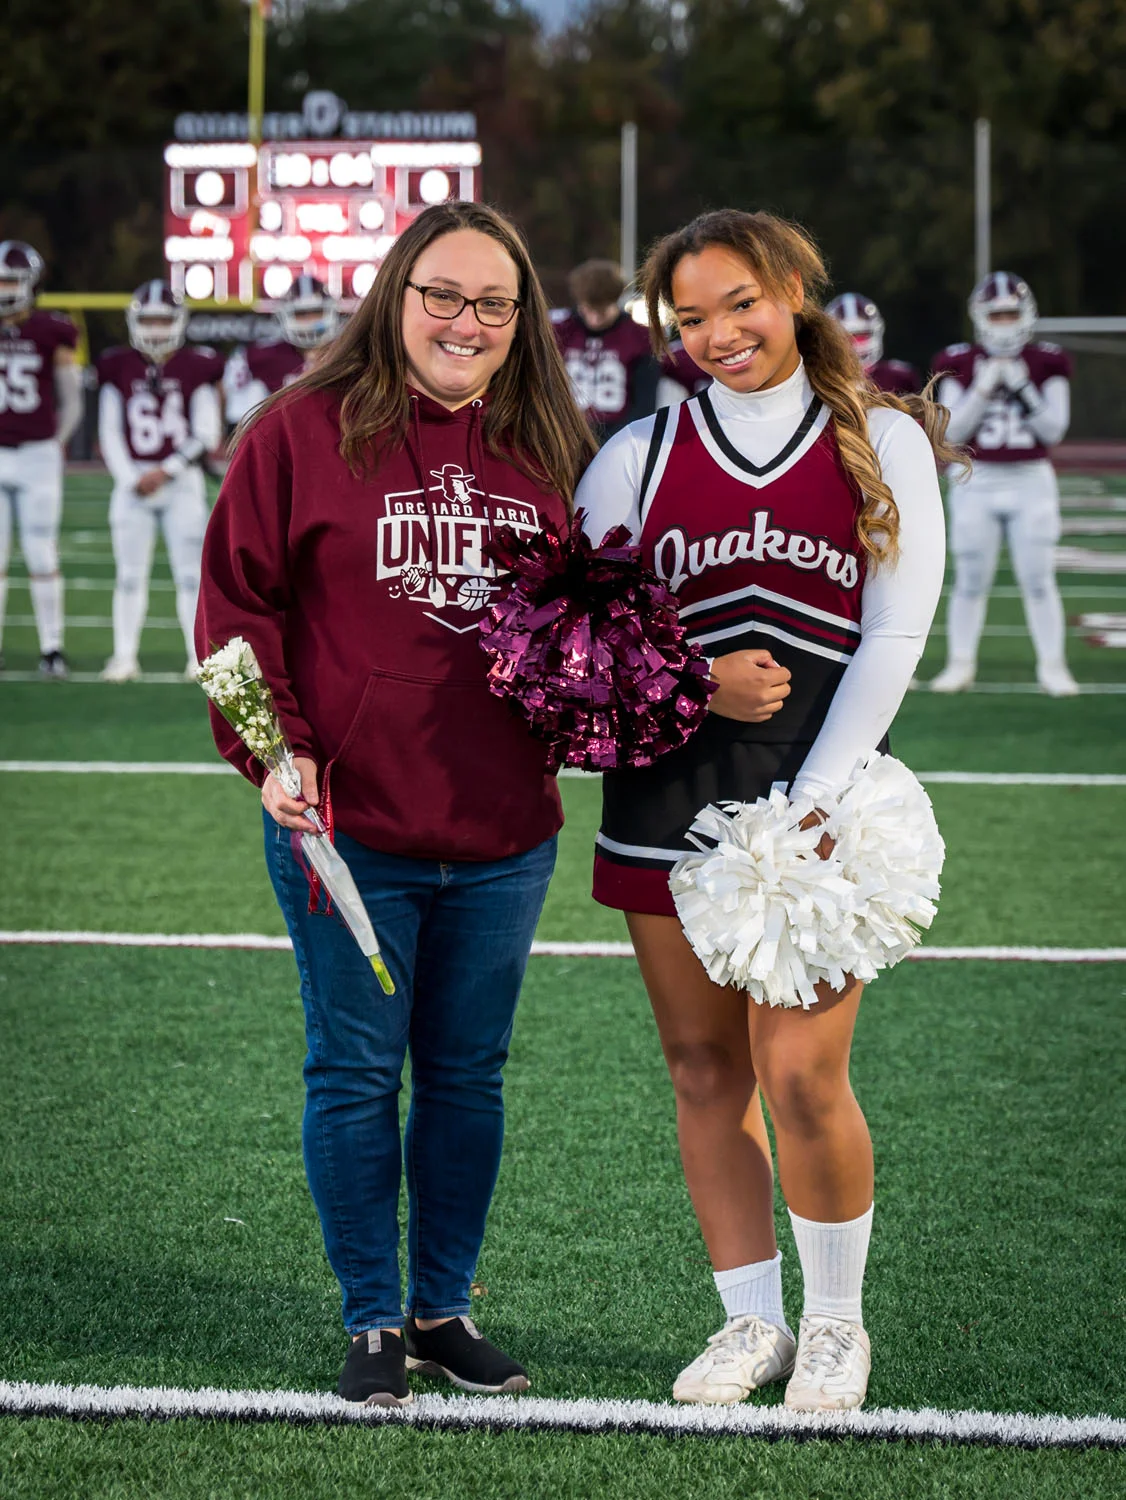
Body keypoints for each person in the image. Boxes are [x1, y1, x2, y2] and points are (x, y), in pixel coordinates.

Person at [197, 201, 596, 1407]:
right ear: (395, 295)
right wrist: (275, 751)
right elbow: (230, 617)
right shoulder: (298, 431)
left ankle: (443, 1307)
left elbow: (599, 621)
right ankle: (372, 1318)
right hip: (347, 831)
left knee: (469, 1077)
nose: (464, 322)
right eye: (442, 294)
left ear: (518, 318)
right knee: (356, 1077)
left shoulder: (554, 446)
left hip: (501, 833)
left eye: (491, 302)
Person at [575, 209, 953, 1411]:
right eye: (688, 319)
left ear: (791, 287)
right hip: (665, 797)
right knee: (700, 1071)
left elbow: (893, 631)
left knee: (799, 1073)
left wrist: (817, 799)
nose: (718, 334)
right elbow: (584, 635)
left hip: (817, 795)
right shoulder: (638, 449)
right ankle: (751, 1325)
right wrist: (696, 684)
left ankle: (837, 1323)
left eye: (739, 303)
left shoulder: (876, 438)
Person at [929, 271, 1076, 696]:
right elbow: (952, 434)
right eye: (998, 315)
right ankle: (960, 664)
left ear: (1027, 316)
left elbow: (1053, 431)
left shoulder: (1047, 360)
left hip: (1032, 479)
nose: (1005, 323)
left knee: (1039, 577)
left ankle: (1053, 665)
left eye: (1012, 314)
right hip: (977, 477)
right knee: (971, 578)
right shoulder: (957, 360)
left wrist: (1022, 388)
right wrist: (985, 386)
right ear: (980, 317)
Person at [96, 280, 223, 681]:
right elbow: (109, 431)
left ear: (178, 322)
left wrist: (165, 470)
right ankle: (124, 657)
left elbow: (207, 432)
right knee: (129, 575)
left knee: (190, 575)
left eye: (161, 320)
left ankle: (196, 658)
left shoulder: (196, 366)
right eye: (147, 321)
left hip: (180, 484)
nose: (154, 329)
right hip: (132, 482)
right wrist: (131, 476)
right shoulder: (118, 365)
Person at [0, 239, 83, 678]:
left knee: (41, 553)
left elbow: (71, 401)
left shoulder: (52, 330)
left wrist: (55, 442)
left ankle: (51, 646)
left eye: (9, 280)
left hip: (36, 454)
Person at [552, 258, 659, 442]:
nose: (593, 319)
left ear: (615, 301)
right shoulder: (560, 332)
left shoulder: (639, 337)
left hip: (617, 437)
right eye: (587, 310)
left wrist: (617, 442)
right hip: (564, 437)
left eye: (601, 312)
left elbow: (644, 404)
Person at [223, 275, 341, 427]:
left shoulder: (347, 352)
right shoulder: (260, 358)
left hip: (335, 433)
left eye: (316, 312)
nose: (310, 321)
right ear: (285, 316)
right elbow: (236, 412)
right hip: (279, 436)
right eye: (302, 314)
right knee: (253, 390)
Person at [826, 292, 920, 395]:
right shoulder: (822, 379)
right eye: (846, 336)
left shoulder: (900, 378)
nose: (857, 343)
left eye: (862, 334)